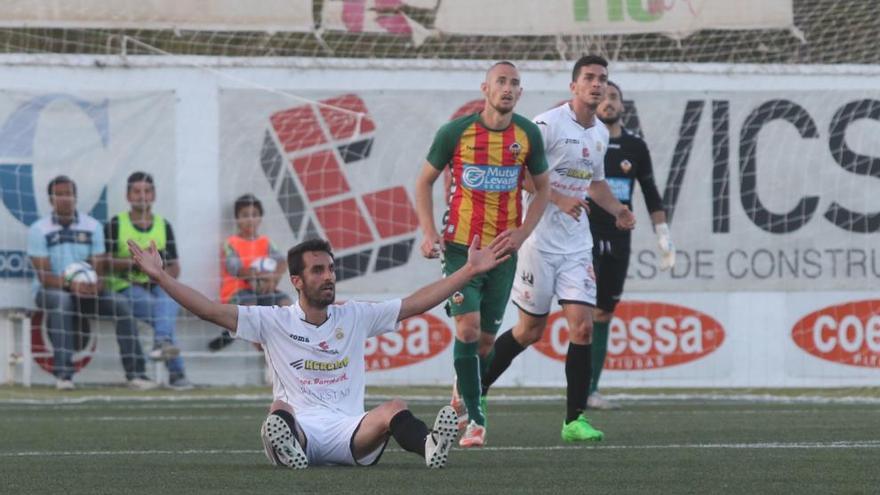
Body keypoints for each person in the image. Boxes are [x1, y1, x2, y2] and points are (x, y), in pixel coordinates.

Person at [127, 234, 512, 469]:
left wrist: (466, 272)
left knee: (394, 406)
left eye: (330, 268)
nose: (328, 276)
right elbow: (208, 309)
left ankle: (430, 445)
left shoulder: (355, 316)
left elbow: (413, 304)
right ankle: (290, 450)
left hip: (351, 432)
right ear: (296, 281)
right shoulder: (272, 320)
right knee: (278, 411)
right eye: (317, 270)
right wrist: (161, 276)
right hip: (301, 430)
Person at [479, 55, 636, 442]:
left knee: (582, 328)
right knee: (530, 331)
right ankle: (474, 390)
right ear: (574, 86)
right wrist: (559, 198)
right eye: (589, 78)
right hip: (539, 242)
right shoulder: (547, 124)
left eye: (602, 78)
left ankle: (573, 421)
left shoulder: (600, 133)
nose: (597, 84)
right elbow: (522, 174)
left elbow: (595, 183)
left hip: (576, 246)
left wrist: (618, 210)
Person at [414, 61, 551, 447]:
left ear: (520, 93)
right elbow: (423, 181)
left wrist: (523, 232)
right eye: (501, 82)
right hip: (461, 249)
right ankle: (475, 419)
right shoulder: (456, 133)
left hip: (502, 253)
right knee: (468, 329)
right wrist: (429, 233)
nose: (508, 88)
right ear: (485, 88)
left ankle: (465, 391)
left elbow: (543, 189)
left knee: (487, 343)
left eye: (514, 83)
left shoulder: (526, 136)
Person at [587, 80, 676, 410]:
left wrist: (664, 237)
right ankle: (578, 387)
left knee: (604, 313)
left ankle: (590, 390)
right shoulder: (585, 142)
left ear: (622, 105)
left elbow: (652, 195)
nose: (608, 103)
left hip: (620, 237)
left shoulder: (635, 147)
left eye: (614, 98)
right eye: (604, 97)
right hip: (584, 236)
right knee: (583, 311)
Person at [27, 175, 154, 391]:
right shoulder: (39, 229)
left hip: (87, 292)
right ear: (50, 200)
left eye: (69, 194)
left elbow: (99, 266)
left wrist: (97, 284)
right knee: (62, 301)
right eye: (59, 194)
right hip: (52, 290)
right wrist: (71, 284)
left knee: (121, 304)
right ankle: (64, 375)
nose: (65, 199)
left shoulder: (93, 226)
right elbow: (44, 276)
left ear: (75, 197)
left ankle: (136, 374)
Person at [105, 171, 191, 390]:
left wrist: (159, 275)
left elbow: (175, 266)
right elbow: (105, 262)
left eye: (147, 191)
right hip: (126, 286)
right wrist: (137, 263)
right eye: (137, 191)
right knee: (162, 312)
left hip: (157, 285)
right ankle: (177, 372)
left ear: (153, 195)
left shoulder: (164, 225)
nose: (142, 196)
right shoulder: (116, 224)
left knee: (169, 298)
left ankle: (162, 345)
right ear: (128, 195)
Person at [209, 194, 291, 351]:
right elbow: (236, 269)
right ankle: (258, 344)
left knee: (285, 304)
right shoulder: (231, 243)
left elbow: (282, 262)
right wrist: (259, 275)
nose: (250, 220)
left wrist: (273, 280)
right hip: (237, 292)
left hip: (264, 289)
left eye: (254, 215)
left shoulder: (266, 242)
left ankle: (288, 342)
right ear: (237, 219)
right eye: (245, 215)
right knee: (251, 309)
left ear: (260, 218)